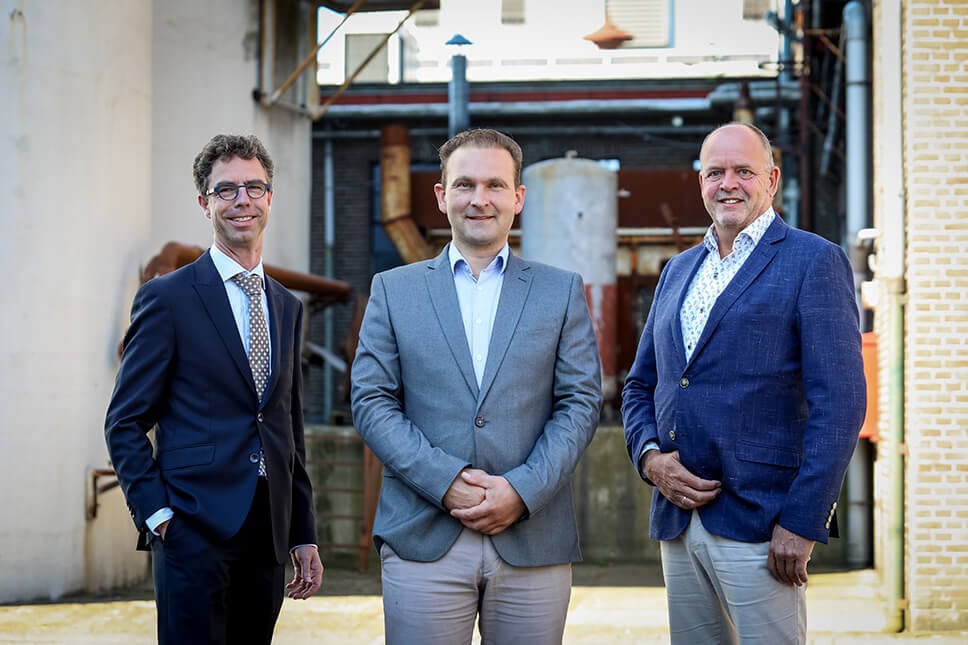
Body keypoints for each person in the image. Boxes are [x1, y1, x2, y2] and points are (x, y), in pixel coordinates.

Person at [350, 128, 603, 644]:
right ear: (441, 196)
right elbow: (372, 402)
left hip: (532, 535)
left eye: (495, 185)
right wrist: (445, 481)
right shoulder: (393, 290)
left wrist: (522, 489)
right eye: (464, 184)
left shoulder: (560, 291)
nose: (479, 199)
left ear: (518, 197)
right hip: (423, 534)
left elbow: (579, 403)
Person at [621, 122, 866, 644]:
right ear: (700, 182)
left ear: (771, 180)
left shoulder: (814, 260)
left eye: (743, 171)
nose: (728, 184)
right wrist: (649, 458)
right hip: (678, 521)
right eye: (715, 173)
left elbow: (840, 404)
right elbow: (641, 385)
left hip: (764, 523)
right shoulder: (678, 269)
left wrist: (802, 521)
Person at [105, 133, 323, 644]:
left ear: (270, 197)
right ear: (205, 203)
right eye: (226, 190)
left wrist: (303, 532)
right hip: (192, 528)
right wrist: (158, 515)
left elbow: (287, 425)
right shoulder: (167, 298)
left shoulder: (287, 306)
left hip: (268, 533)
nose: (242, 200)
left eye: (253, 187)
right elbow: (125, 421)